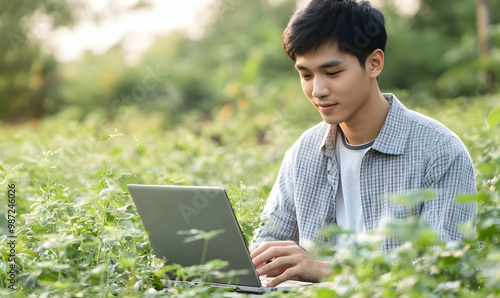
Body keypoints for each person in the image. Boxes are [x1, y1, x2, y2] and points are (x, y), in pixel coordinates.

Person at [249, 0, 477, 287]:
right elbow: (265, 251)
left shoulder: (439, 151)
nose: (318, 90)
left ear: (374, 63)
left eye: (332, 73)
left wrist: (324, 270)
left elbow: (443, 270)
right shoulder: (303, 152)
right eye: (306, 75)